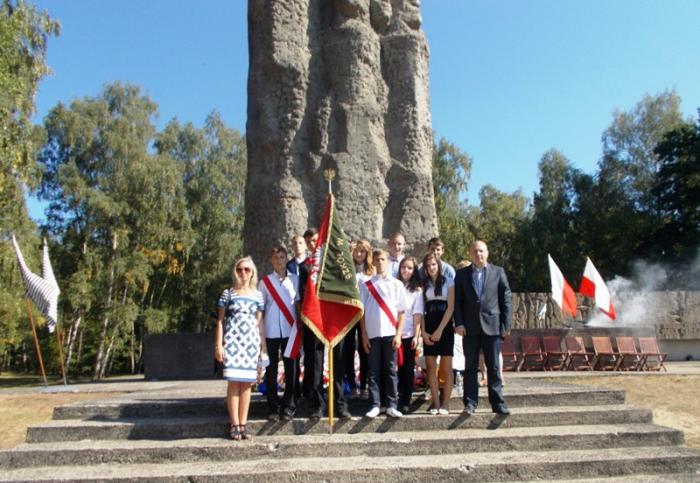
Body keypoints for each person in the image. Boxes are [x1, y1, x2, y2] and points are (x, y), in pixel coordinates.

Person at [454, 240, 512, 415]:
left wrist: (505, 324)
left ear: (487, 253)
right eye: (475, 251)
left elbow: (506, 299)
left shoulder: (498, 272)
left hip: (493, 326)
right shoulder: (462, 274)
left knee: (493, 367)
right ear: (470, 254)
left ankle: (498, 403)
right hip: (470, 327)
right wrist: (459, 323)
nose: (478, 254)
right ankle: (470, 403)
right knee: (470, 367)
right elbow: (458, 301)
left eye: (481, 251)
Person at [299, 228, 350, 419]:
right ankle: (318, 405)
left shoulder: (336, 264)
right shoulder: (305, 267)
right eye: (310, 242)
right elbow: (303, 295)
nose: (313, 244)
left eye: (315, 240)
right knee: (316, 364)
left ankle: (340, 404)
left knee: (339, 363)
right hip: (316, 320)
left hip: (335, 319)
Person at [214, 256, 266, 440]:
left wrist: (262, 348)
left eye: (247, 269)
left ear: (252, 273)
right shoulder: (228, 294)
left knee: (247, 385)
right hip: (233, 342)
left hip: (250, 343)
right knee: (234, 383)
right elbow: (220, 321)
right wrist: (218, 345)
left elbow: (260, 323)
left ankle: (243, 424)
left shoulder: (258, 296)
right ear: (235, 272)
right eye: (239, 269)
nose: (243, 272)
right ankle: (234, 424)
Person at [360, 248, 408, 418]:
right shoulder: (366, 284)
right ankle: (375, 404)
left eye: (383, 259)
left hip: (390, 333)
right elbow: (362, 312)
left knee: (391, 370)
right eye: (377, 259)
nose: (380, 262)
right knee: (373, 371)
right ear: (372, 262)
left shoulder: (396, 284)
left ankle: (391, 405)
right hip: (372, 334)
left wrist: (398, 334)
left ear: (388, 262)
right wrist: (364, 335)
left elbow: (402, 312)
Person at [259, 246, 299, 421]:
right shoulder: (265, 282)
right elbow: (260, 310)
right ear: (271, 260)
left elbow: (298, 305)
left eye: (282, 257)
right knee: (271, 369)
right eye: (276, 257)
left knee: (291, 369)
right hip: (271, 330)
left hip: (291, 330)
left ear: (286, 259)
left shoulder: (295, 280)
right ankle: (273, 407)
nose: (279, 261)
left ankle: (289, 405)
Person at [421, 251, 455, 415]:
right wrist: (423, 331)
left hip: (445, 325)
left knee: (447, 367)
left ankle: (445, 403)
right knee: (430, 367)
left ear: (439, 265)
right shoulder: (423, 284)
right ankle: (435, 403)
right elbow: (420, 309)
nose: (431, 268)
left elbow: (451, 307)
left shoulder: (449, 281)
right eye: (428, 266)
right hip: (429, 323)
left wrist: (440, 329)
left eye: (434, 264)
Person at [343, 239, 374, 396]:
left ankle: (364, 385)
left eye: (363, 251)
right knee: (348, 349)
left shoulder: (372, 270)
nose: (359, 254)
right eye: (357, 251)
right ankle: (351, 383)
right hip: (349, 312)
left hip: (366, 313)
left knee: (364, 349)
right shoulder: (347, 269)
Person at [396, 256, 423, 414]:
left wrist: (416, 336)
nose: (405, 270)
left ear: (414, 271)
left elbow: (417, 314)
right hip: (393, 333)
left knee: (407, 369)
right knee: (394, 369)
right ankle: (391, 399)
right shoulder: (394, 285)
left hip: (408, 334)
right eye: (403, 267)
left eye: (409, 268)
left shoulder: (417, 291)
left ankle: (405, 400)